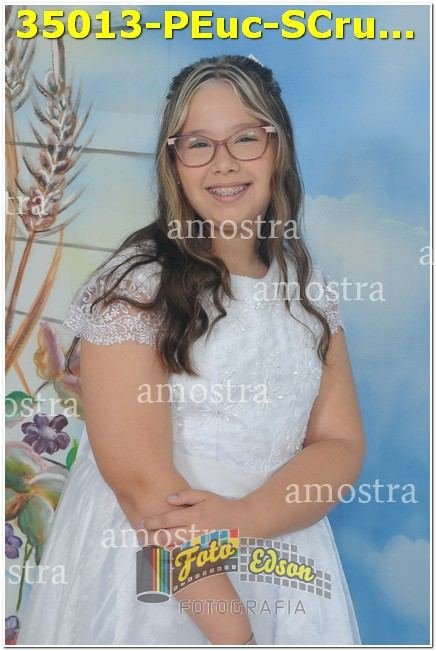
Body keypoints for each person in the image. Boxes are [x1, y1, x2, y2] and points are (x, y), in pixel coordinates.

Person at [17, 54, 365, 645]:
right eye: (198, 144)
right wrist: (234, 634)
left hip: (277, 545)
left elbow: (340, 442)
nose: (223, 163)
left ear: (278, 148)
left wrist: (248, 518)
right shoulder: (137, 288)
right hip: (164, 571)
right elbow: (143, 489)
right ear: (174, 163)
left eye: (245, 138)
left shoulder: (306, 288)